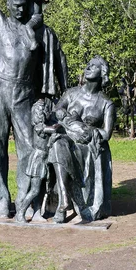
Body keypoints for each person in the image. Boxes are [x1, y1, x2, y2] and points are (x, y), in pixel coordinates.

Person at [0, 0, 68, 218]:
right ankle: (1, 200)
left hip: (24, 92)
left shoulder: (35, 27)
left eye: (23, 5)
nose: (19, 9)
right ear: (8, 5)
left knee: (27, 147)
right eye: (15, 5)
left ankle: (28, 200)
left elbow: (40, 8)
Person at [47, 56, 115, 223]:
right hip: (67, 137)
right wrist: (67, 119)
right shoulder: (71, 94)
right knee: (58, 144)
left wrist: (86, 130)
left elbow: (106, 133)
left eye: (94, 66)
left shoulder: (106, 103)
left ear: (102, 73)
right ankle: (64, 201)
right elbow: (56, 111)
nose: (88, 68)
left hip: (87, 147)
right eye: (87, 65)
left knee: (62, 146)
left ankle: (77, 201)